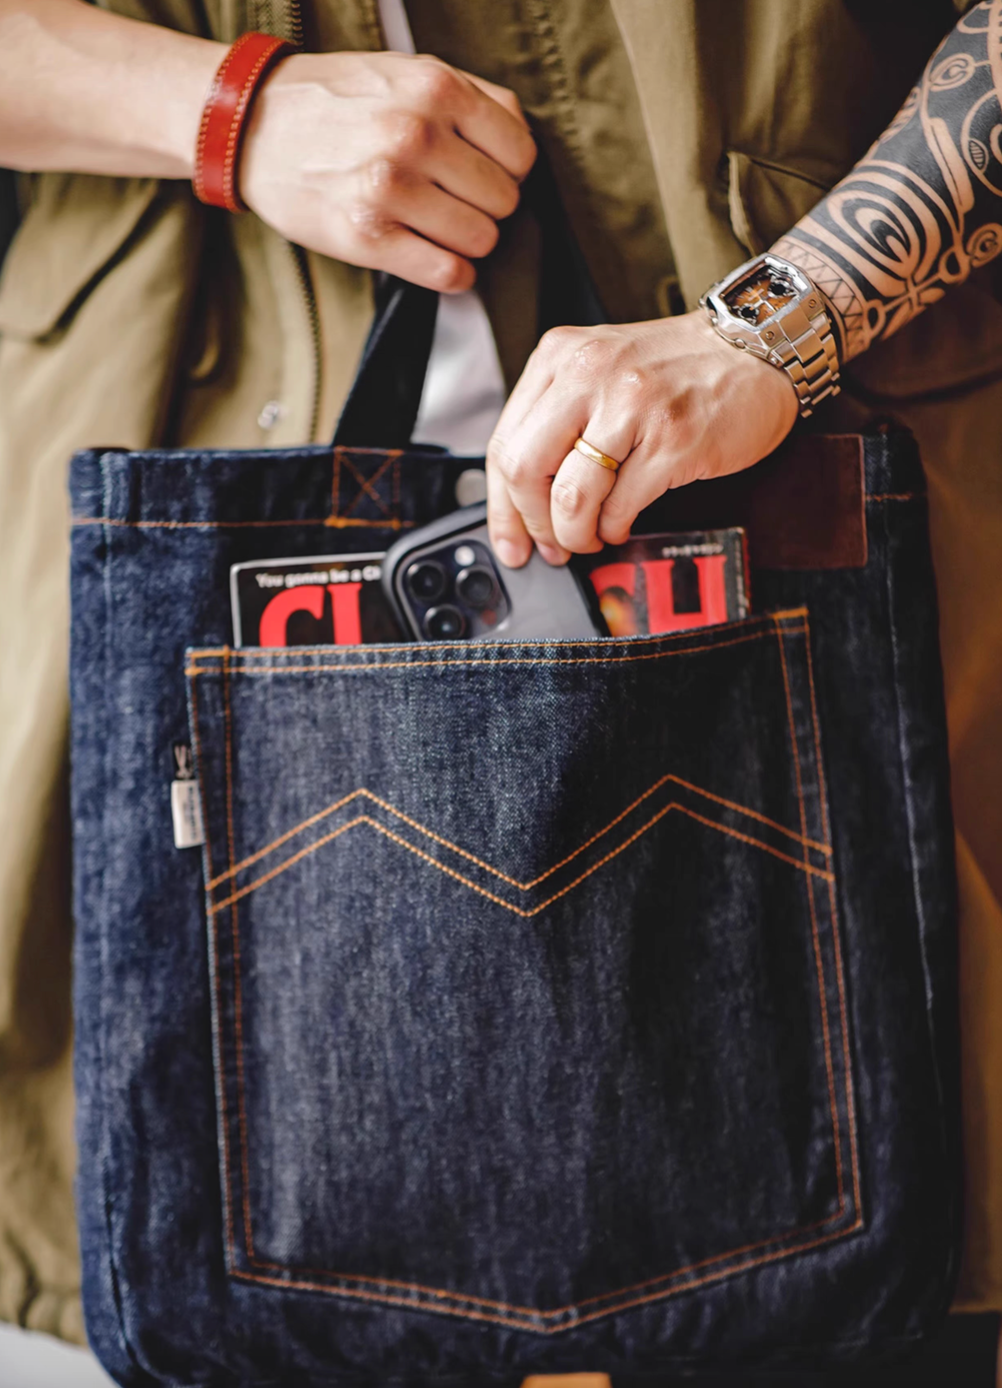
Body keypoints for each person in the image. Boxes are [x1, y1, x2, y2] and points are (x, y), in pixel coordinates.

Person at [0, 0, 1000, 1379]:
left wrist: (789, 313)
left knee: (868, 1250)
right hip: (193, 453)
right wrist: (225, 110)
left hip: (800, 451)